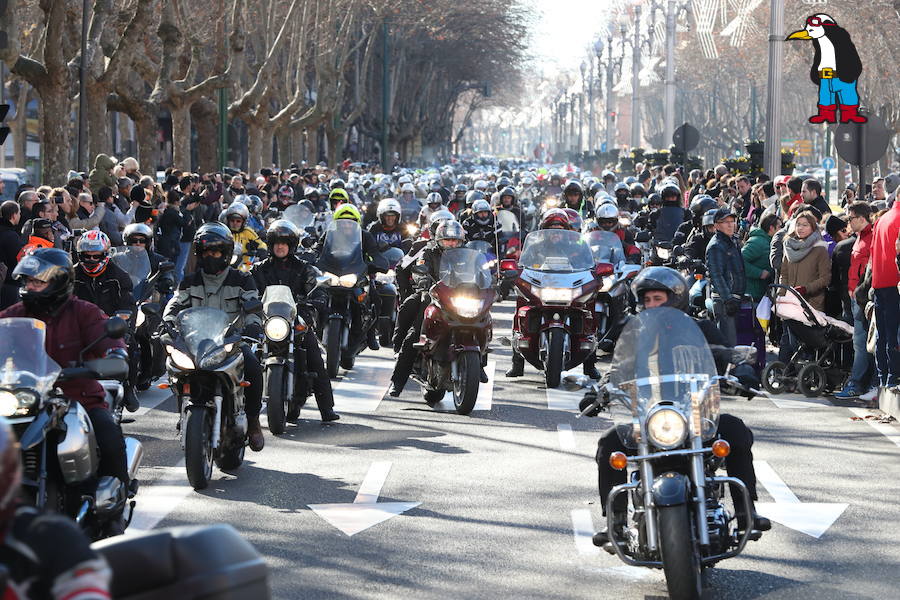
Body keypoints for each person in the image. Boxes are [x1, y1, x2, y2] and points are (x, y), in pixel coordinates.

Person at [588, 267, 770, 547]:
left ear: (675, 298)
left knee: (735, 430)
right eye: (647, 300)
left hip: (696, 416)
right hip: (651, 418)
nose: (651, 305)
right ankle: (616, 523)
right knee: (608, 443)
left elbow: (725, 354)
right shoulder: (636, 333)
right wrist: (601, 390)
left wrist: (742, 370)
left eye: (657, 299)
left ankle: (747, 512)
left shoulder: (701, 328)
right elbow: (618, 368)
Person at [0, 248, 131, 498]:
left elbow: (108, 339)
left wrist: (116, 354)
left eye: (37, 281)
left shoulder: (84, 312)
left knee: (109, 438)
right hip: (27, 400)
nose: (30, 286)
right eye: (28, 280)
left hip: (78, 399)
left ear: (58, 282)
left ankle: (114, 501)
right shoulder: (16, 314)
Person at [164, 223, 266, 452]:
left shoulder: (242, 279)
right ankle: (185, 414)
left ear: (226, 253)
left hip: (230, 342)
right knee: (173, 366)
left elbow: (253, 308)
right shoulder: (189, 281)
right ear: (199, 254)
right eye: (207, 251)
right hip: (195, 345)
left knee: (252, 364)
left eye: (217, 251)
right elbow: (175, 304)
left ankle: (253, 422)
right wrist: (167, 325)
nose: (212, 256)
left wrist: (253, 328)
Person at [0, 417, 113, 600]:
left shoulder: (50, 537)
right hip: (18, 410)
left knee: (109, 439)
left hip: (65, 406)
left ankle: (109, 499)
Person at [251, 220, 339, 422]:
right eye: (276, 242)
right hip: (267, 322)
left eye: (285, 243)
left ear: (292, 245)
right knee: (247, 357)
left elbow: (319, 288)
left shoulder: (303, 269)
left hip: (295, 321)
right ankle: (242, 409)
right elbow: (248, 289)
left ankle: (327, 409)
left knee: (315, 359)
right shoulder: (259, 270)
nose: (280, 247)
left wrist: (314, 302)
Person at [388, 220, 484, 397]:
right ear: (439, 239)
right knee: (415, 333)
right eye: (448, 239)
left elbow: (481, 271)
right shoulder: (428, 252)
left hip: (460, 298)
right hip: (433, 297)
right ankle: (398, 380)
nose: (452, 243)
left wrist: (490, 280)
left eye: (455, 240)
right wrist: (421, 280)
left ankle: (478, 363)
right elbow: (419, 270)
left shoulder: (468, 254)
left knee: (482, 320)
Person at [505, 209, 600, 379]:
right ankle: (517, 363)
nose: (556, 231)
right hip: (541, 286)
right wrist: (516, 272)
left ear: (566, 230)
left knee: (590, 307)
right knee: (521, 303)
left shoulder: (576, 247)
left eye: (560, 227)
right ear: (545, 229)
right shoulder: (534, 247)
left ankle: (590, 364)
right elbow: (522, 264)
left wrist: (595, 272)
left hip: (568, 287)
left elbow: (588, 264)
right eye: (552, 227)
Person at [776, 211, 831, 362]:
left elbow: (825, 278)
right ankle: (784, 374)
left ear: (813, 228)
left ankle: (805, 374)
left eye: (805, 225)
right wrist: (782, 293)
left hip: (810, 304)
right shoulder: (788, 246)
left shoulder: (820, 249)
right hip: (791, 302)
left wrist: (806, 288)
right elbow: (784, 274)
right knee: (787, 339)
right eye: (798, 224)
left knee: (805, 343)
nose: (800, 228)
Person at [834, 202, 876, 400]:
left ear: (861, 218)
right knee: (862, 343)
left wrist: (857, 293)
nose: (848, 222)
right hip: (857, 297)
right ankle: (864, 382)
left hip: (864, 298)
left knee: (863, 342)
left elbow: (868, 272)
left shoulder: (871, 237)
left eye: (850, 218)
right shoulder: (860, 238)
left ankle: (859, 383)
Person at [869, 196, 900, 391]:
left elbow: (873, 251)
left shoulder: (884, 218)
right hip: (894, 282)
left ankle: (884, 377)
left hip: (880, 281)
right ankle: (893, 377)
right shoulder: (896, 219)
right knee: (893, 334)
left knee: (883, 334)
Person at [72, 230, 135, 318]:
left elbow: (128, 307)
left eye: (96, 256)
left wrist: (120, 324)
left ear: (105, 255)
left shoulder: (119, 277)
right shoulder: (71, 276)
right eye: (87, 256)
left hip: (109, 327)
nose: (91, 260)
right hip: (78, 326)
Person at [706, 208, 746, 346]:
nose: (730, 224)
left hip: (734, 299)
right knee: (728, 345)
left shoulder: (732, 241)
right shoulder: (716, 246)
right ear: (716, 225)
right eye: (725, 222)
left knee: (734, 343)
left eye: (732, 221)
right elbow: (716, 275)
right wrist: (728, 299)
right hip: (724, 301)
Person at [742, 213, 780, 302]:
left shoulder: (769, 241)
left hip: (763, 293)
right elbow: (738, 261)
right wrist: (759, 273)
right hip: (753, 295)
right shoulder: (757, 242)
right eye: (779, 226)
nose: (781, 229)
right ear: (771, 228)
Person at [0, 201, 24, 309]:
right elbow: (18, 259)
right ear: (14, 215)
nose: (20, 215)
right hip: (9, 283)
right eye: (19, 213)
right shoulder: (11, 236)